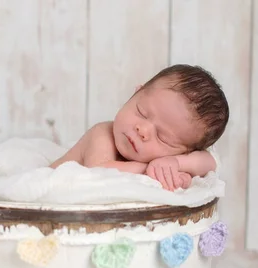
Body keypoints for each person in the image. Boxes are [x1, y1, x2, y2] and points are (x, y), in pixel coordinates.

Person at [50, 64, 229, 191]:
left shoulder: (172, 157)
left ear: (182, 151)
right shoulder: (102, 134)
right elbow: (98, 170)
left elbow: (211, 162)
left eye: (162, 137)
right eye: (142, 112)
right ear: (136, 92)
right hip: (48, 194)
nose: (143, 130)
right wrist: (151, 170)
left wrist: (175, 164)